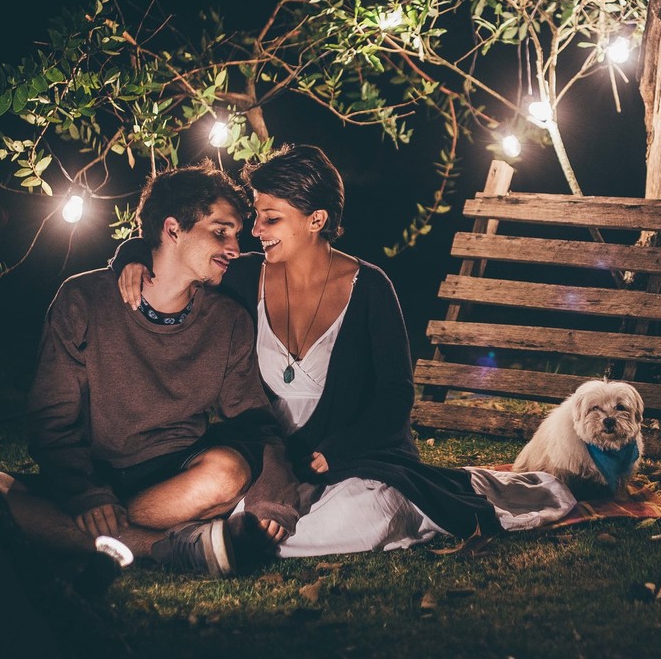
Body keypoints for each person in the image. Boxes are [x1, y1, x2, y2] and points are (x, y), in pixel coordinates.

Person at [112, 145, 575, 557]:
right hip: (268, 463)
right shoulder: (243, 276)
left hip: (354, 461)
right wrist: (132, 254)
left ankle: (220, 540)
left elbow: (395, 395)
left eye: (271, 218)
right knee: (230, 496)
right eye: (257, 216)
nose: (255, 230)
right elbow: (180, 251)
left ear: (316, 220)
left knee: (373, 510)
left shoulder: (370, 288)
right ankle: (223, 538)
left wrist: (335, 452)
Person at [0, 162, 303, 577]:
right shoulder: (83, 300)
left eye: (236, 235)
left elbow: (254, 424)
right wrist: (86, 493)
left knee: (227, 474)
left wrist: (273, 498)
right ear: (172, 229)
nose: (234, 248)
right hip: (96, 471)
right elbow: (52, 419)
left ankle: (66, 531)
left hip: (178, 476)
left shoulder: (227, 319)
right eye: (221, 231)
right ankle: (164, 547)